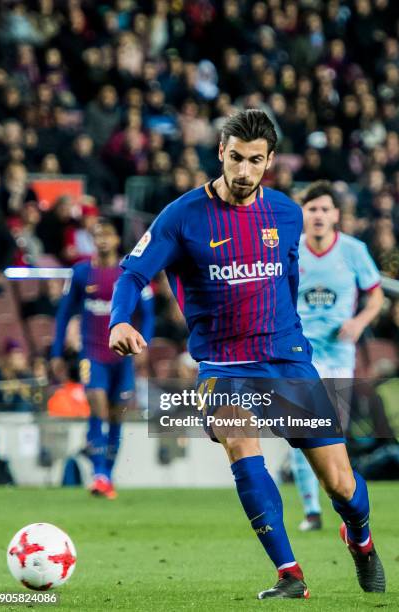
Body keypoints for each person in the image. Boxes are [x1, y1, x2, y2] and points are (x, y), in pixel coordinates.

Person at [109, 109, 385, 599]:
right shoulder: (182, 216)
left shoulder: (285, 213)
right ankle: (289, 574)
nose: (243, 170)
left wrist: (292, 343)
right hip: (222, 365)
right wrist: (120, 319)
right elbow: (132, 273)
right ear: (221, 153)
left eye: (254, 161)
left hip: (286, 360)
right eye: (235, 158)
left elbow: (289, 280)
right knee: (239, 438)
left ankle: (360, 539)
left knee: (341, 484)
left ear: (269, 161)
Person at [292, 181, 384, 531]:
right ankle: (311, 511)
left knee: (332, 433)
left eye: (324, 209)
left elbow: (375, 296)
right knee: (299, 429)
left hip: (339, 353)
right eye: (312, 209)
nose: (318, 215)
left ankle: (340, 506)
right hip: (300, 354)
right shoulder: (290, 249)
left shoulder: (353, 250)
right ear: (303, 214)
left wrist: (359, 322)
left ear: (336, 215)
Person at [51, 218, 154, 499]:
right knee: (96, 407)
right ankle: (98, 473)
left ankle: (107, 472)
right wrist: (57, 351)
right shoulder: (82, 273)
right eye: (98, 235)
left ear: (117, 240)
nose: (103, 240)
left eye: (107, 234)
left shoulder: (131, 272)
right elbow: (63, 315)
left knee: (116, 415)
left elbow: (148, 314)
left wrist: (143, 344)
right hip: (92, 353)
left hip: (122, 357)